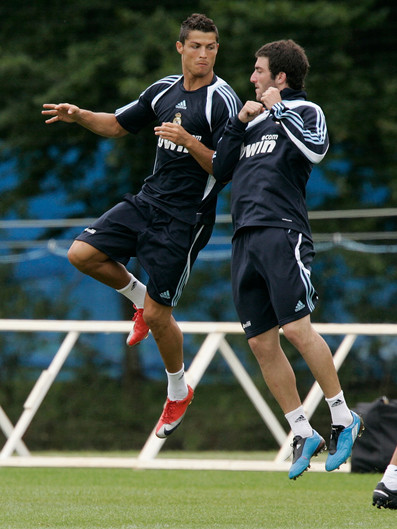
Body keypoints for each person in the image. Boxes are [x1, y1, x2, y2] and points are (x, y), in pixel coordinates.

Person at [42, 14, 241, 439]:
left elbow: (226, 169)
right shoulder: (163, 90)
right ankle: (137, 297)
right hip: (148, 201)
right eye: (196, 46)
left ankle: (177, 390)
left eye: (211, 47)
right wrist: (79, 116)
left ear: (217, 51)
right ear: (180, 48)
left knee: (159, 313)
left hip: (185, 220)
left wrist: (190, 142)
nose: (203, 54)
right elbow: (116, 124)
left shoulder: (222, 101)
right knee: (82, 254)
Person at [212, 39, 364, 480]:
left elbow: (316, 150)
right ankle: (302, 430)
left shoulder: (305, 111)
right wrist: (239, 124)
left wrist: (279, 110)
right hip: (244, 236)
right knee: (261, 340)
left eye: (259, 71)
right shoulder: (253, 122)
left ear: (280, 77)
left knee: (297, 327)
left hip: (283, 231)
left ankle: (342, 417)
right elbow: (221, 171)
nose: (253, 78)